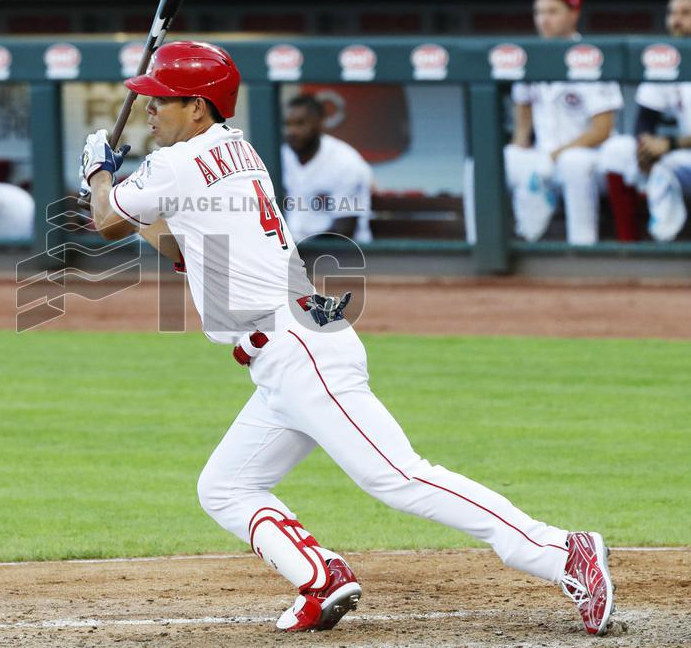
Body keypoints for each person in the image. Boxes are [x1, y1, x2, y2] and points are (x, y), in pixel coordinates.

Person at [79, 40, 614, 636]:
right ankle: (320, 576)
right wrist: (118, 198)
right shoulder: (236, 151)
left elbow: (105, 221)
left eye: (162, 100)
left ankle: (564, 552)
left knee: (399, 476)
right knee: (226, 486)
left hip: (297, 346)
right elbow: (176, 243)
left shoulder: (177, 164)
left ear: (199, 108)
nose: (150, 110)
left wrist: (99, 174)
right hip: (292, 347)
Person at [502, 0, 638, 245]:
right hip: (546, 157)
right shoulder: (529, 60)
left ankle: (583, 246)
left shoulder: (591, 58)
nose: (543, 20)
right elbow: (522, 130)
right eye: (539, 12)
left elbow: (602, 130)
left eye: (552, 12)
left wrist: (553, 156)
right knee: (493, 163)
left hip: (592, 160)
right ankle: (482, 246)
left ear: (573, 14)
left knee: (573, 162)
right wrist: (524, 157)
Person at [632, 0, 691, 241]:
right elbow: (645, 118)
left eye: (686, 13)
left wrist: (670, 144)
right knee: (655, 166)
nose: (676, 20)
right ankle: (663, 246)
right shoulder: (667, 60)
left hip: (681, 148)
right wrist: (646, 146)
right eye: (672, 13)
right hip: (685, 157)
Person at [281, 94, 373, 244]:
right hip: (293, 252)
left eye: (300, 124)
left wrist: (297, 248)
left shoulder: (345, 162)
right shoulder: (282, 155)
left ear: (320, 123)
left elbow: (345, 230)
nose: (292, 131)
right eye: (287, 124)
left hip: (342, 255)